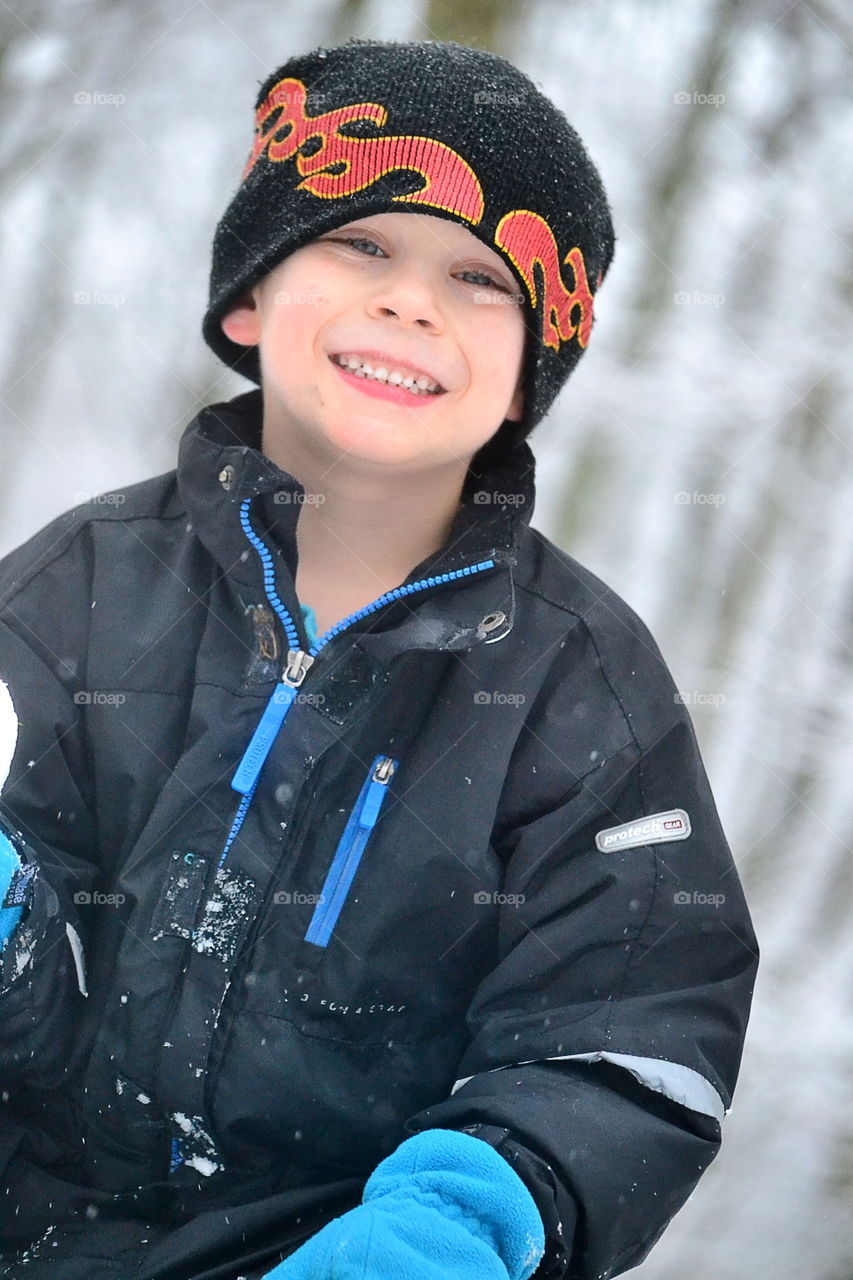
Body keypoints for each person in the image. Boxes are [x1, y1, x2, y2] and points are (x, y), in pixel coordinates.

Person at [0, 37, 759, 1280]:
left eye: (477, 277)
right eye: (362, 243)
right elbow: (40, 978)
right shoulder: (77, 585)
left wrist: (447, 1232)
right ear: (248, 297)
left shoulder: (582, 692)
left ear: (528, 374)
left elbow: (624, 1035)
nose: (410, 299)